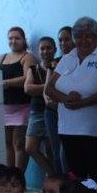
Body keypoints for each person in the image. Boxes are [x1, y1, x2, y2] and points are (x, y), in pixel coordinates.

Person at [46, 17, 97, 183]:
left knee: (96, 176)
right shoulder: (67, 58)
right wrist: (66, 99)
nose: (84, 40)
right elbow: (49, 88)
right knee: (75, 175)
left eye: (89, 36)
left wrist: (82, 103)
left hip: (94, 130)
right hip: (68, 128)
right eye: (79, 36)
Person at [0, 27, 36, 170]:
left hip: (22, 106)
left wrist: (7, 83)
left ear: (23, 40)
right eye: (10, 38)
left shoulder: (28, 57)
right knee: (7, 143)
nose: (13, 41)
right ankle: (8, 177)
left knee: (19, 143)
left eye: (17, 38)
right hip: (4, 107)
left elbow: (27, 78)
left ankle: (18, 178)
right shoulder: (1, 58)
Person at [24, 36, 61, 177]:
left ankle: (55, 181)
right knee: (30, 147)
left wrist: (40, 88)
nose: (45, 51)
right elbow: (27, 89)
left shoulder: (59, 66)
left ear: (55, 49)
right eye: (42, 48)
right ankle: (52, 175)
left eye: (49, 48)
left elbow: (58, 88)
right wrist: (47, 87)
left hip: (53, 111)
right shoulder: (33, 69)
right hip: (36, 111)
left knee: (52, 149)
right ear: (38, 51)